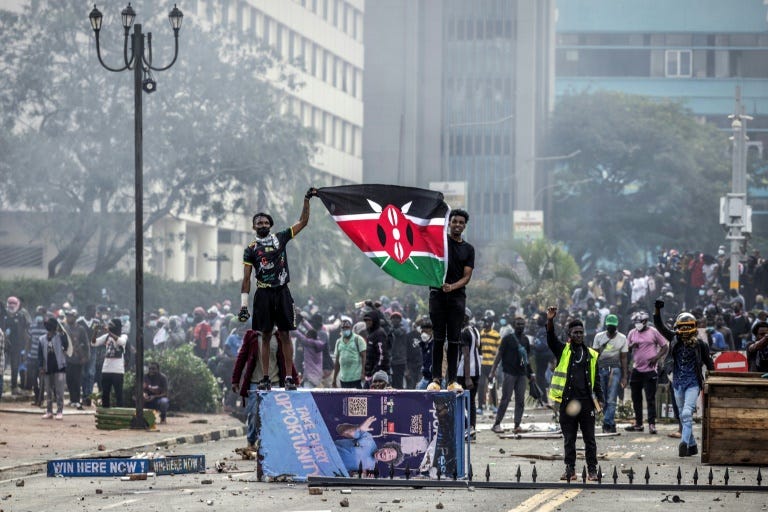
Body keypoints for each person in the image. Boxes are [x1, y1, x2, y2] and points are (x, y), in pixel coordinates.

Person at [239, 187, 317, 391]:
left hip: (282, 291)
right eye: (259, 223)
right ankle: (265, 377)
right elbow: (246, 278)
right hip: (263, 293)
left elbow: (303, 222)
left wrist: (306, 199)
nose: (263, 225)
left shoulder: (281, 237)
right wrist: (243, 306)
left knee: (285, 334)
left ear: (271, 225)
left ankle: (289, 378)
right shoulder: (250, 250)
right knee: (264, 336)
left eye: (266, 222)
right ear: (254, 226)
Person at [546, 306, 603, 482]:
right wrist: (550, 320)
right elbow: (550, 339)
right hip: (568, 402)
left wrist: (600, 401)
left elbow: (597, 380)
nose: (579, 335)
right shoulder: (563, 350)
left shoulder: (592, 354)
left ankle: (592, 470)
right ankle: (570, 470)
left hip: (586, 403)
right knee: (569, 439)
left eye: (581, 332)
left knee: (590, 439)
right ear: (570, 334)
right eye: (575, 332)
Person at [653, 300, 714, 457]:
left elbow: (710, 364)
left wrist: (713, 381)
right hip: (677, 383)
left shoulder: (701, 345)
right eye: (682, 327)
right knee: (682, 415)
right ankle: (693, 446)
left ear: (694, 328)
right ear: (677, 328)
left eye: (688, 327)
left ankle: (684, 443)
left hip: (693, 383)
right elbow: (660, 327)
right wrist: (657, 310)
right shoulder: (674, 339)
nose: (685, 330)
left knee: (687, 413)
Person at [427, 208, 475, 392]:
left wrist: (452, 287)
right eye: (454, 221)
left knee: (454, 339)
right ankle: (436, 379)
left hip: (457, 298)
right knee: (438, 338)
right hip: (437, 296)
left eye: (461, 223)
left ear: (465, 226)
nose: (457, 225)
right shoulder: (441, 242)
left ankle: (452, 380)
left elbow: (467, 276)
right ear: (449, 223)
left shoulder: (468, 249)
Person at [625, 310, 668, 434]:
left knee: (650, 399)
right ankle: (638, 423)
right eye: (635, 322)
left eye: (639, 322)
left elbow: (665, 346)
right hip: (636, 369)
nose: (637, 324)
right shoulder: (632, 333)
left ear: (645, 321)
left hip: (650, 370)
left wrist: (656, 358)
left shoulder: (653, 332)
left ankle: (652, 424)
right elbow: (626, 349)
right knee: (636, 398)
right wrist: (631, 346)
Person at [489, 318, 534, 434]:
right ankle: (497, 424)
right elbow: (499, 355)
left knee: (520, 401)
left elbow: (526, 359)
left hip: (521, 374)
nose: (520, 326)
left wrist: (530, 373)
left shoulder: (525, 340)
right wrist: (492, 371)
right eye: (518, 324)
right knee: (505, 399)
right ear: (514, 325)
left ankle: (517, 425)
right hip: (509, 373)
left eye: (522, 324)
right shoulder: (507, 339)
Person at [592, 314, 628, 433]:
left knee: (612, 398)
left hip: (615, 370)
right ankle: (610, 423)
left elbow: (623, 358)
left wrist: (624, 376)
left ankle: (607, 423)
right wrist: (593, 374)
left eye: (613, 326)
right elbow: (594, 356)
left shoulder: (622, 338)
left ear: (616, 326)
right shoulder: (599, 337)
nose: (611, 328)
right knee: (603, 399)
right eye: (609, 326)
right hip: (601, 370)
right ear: (606, 326)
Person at [334, 416, 404, 475]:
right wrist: (358, 428)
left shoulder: (369, 469)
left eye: (390, 456)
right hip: (325, 450)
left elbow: (347, 474)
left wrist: (360, 475)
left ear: (388, 461)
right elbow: (340, 429)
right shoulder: (368, 438)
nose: (386, 454)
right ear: (386, 447)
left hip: (330, 467)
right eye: (389, 451)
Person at [38, 317, 72, 420]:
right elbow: (39, 355)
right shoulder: (42, 339)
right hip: (47, 368)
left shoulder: (60, 337)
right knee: (48, 391)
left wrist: (62, 333)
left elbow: (66, 346)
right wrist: (40, 366)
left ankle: (59, 411)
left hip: (59, 367)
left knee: (59, 391)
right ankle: (49, 411)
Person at [91, 318, 127, 408]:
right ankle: (105, 413)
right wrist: (95, 332)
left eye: (111, 326)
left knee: (118, 394)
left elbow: (121, 342)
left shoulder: (124, 336)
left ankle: (120, 414)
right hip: (106, 369)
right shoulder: (106, 336)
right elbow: (93, 343)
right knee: (105, 394)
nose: (109, 327)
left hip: (118, 371)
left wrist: (109, 333)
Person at [456, 308, 480, 435]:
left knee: (464, 402)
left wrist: (467, 377)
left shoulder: (463, 332)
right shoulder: (475, 330)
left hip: (465, 372)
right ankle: (471, 428)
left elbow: (466, 354)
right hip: (476, 370)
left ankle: (467, 428)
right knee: (471, 402)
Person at [64, 309, 89, 410]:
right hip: (68, 358)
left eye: (71, 316)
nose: (69, 318)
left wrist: (85, 356)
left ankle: (77, 400)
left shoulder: (81, 329)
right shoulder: (65, 328)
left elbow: (86, 343)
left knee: (77, 380)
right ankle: (72, 399)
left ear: (75, 317)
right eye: (68, 316)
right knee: (69, 379)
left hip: (78, 358)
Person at [5, 296, 30, 396]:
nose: (11, 305)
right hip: (4, 347)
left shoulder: (21, 316)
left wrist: (24, 347)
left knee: (15, 368)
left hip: (17, 347)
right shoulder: (3, 315)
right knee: (2, 367)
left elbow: (25, 332)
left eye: (13, 303)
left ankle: (14, 387)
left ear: (17, 305)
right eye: (10, 303)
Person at [332, 318, 366, 389]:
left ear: (351, 328)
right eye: (343, 328)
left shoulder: (358, 339)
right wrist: (334, 378)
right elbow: (337, 362)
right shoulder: (338, 342)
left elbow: (364, 357)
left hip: (357, 377)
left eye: (347, 327)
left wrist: (363, 372)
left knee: (356, 398)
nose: (345, 329)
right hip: (344, 378)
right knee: (346, 399)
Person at [478, 316, 501, 415]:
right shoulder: (480, 334)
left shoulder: (496, 335)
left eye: (487, 322)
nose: (485, 324)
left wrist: (496, 365)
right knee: (481, 385)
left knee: (492, 386)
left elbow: (499, 350)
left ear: (491, 323)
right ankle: (480, 407)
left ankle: (494, 405)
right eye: (484, 321)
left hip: (492, 365)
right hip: (482, 365)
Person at [363, 309, 390, 388]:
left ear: (374, 321)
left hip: (378, 376)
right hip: (370, 375)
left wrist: (375, 371)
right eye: (366, 320)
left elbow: (382, 355)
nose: (367, 322)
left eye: (369, 320)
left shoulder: (379, 333)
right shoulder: (371, 333)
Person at [387, 311, 409, 389]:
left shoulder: (403, 330)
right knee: (392, 381)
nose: (395, 320)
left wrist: (390, 327)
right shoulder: (390, 330)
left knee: (399, 381)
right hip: (391, 360)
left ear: (400, 320)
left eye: (397, 318)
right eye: (393, 318)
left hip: (400, 360)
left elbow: (397, 333)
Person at [415, 319, 435, 390]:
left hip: (435, 380)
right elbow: (416, 325)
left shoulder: (435, 345)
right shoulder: (423, 344)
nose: (424, 334)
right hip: (425, 378)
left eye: (426, 331)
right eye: (422, 331)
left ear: (431, 331)